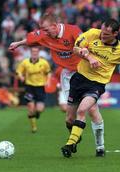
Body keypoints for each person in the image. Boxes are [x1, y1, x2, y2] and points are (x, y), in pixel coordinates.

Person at [9, 13, 105, 156]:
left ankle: (99, 147)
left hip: (84, 73)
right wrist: (18, 43)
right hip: (67, 76)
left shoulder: (73, 30)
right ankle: (75, 136)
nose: (44, 33)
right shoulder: (45, 34)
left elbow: (85, 44)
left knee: (91, 110)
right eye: (43, 30)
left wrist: (89, 57)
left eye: (47, 29)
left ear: (55, 26)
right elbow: (31, 40)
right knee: (69, 119)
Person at [61, 18, 120, 158]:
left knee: (83, 110)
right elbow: (75, 49)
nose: (102, 35)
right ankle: (79, 138)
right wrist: (89, 57)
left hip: (96, 84)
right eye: (102, 31)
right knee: (69, 119)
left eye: (106, 34)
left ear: (115, 34)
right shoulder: (93, 33)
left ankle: (71, 144)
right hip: (79, 79)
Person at [16, 46, 51, 133]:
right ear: (30, 53)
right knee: (31, 107)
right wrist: (20, 76)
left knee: (40, 109)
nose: (34, 53)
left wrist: (48, 81)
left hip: (40, 87)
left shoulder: (44, 62)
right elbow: (18, 71)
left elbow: (48, 72)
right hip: (29, 87)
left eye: (36, 52)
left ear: (38, 53)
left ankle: (36, 113)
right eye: (33, 52)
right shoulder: (25, 62)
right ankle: (33, 127)